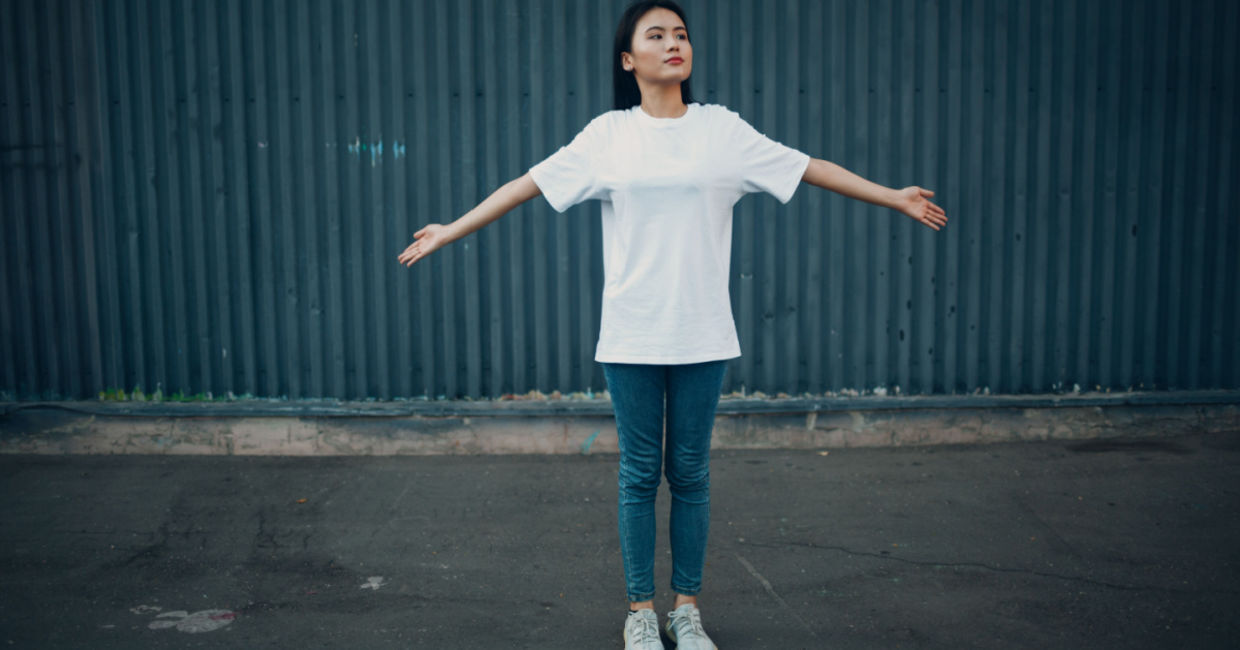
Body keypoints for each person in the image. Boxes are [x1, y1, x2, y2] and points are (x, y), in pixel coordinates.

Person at [398, 1, 948, 647]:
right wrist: (450, 228)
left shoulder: (722, 131)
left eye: (681, 34)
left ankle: (686, 610)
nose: (674, 43)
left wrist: (893, 195)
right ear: (629, 59)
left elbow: (806, 166)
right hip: (630, 333)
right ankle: (639, 613)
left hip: (703, 332)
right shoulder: (608, 135)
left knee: (688, 472)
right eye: (656, 35)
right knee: (638, 473)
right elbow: (527, 184)